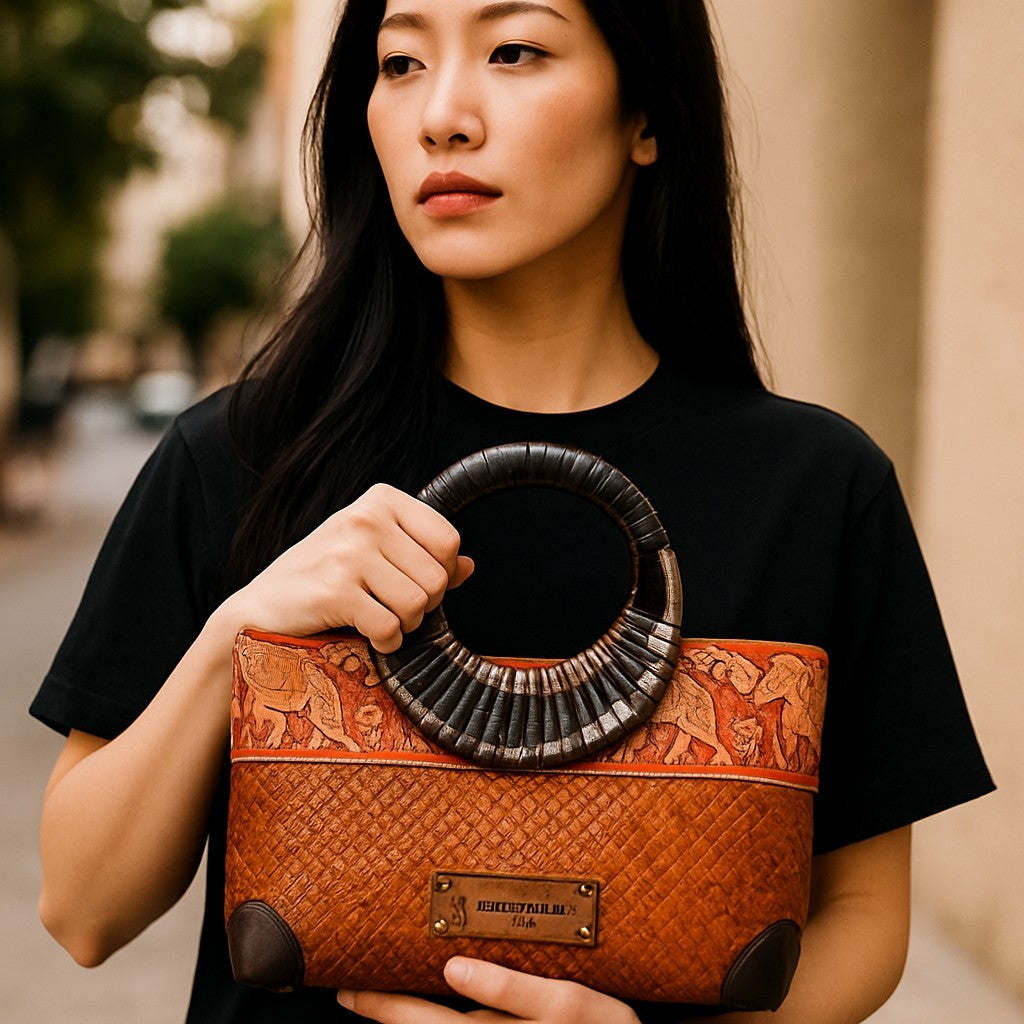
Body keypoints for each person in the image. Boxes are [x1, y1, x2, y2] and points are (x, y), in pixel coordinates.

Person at [31, 1, 994, 1022]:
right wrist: (243, 626)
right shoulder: (241, 456)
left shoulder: (815, 486)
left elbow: (861, 915)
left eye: (514, 50)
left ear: (645, 114)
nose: (442, 116)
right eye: (400, 63)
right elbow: (84, 910)